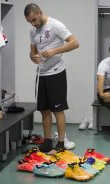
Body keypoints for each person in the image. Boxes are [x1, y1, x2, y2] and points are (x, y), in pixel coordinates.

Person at [24, 3, 79, 153]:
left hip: (56, 72)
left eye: (34, 20)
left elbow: (75, 43)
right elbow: (32, 52)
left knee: (58, 110)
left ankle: (60, 143)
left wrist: (55, 50)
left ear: (40, 13)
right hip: (42, 74)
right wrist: (33, 57)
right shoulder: (32, 30)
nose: (33, 24)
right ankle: (47, 142)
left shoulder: (55, 25)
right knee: (44, 110)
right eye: (30, 22)